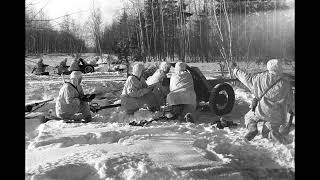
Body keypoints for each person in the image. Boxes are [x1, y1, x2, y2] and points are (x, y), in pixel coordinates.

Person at [230, 59, 294, 144]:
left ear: (268, 67)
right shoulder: (286, 83)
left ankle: (253, 129)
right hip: (276, 115)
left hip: (260, 110)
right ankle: (280, 140)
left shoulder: (259, 78)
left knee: (249, 118)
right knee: (266, 133)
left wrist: (234, 68)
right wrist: (292, 110)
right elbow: (291, 101)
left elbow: (245, 77)